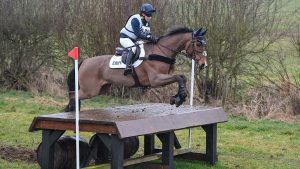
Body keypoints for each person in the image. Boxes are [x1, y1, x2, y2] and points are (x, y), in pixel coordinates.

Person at [120, 3, 158, 75]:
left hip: (134, 40)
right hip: (125, 38)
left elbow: (147, 35)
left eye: (151, 15)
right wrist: (150, 37)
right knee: (133, 49)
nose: (150, 17)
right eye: (149, 15)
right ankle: (127, 68)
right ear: (143, 14)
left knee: (144, 48)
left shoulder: (147, 23)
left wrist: (153, 39)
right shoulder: (135, 19)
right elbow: (138, 34)